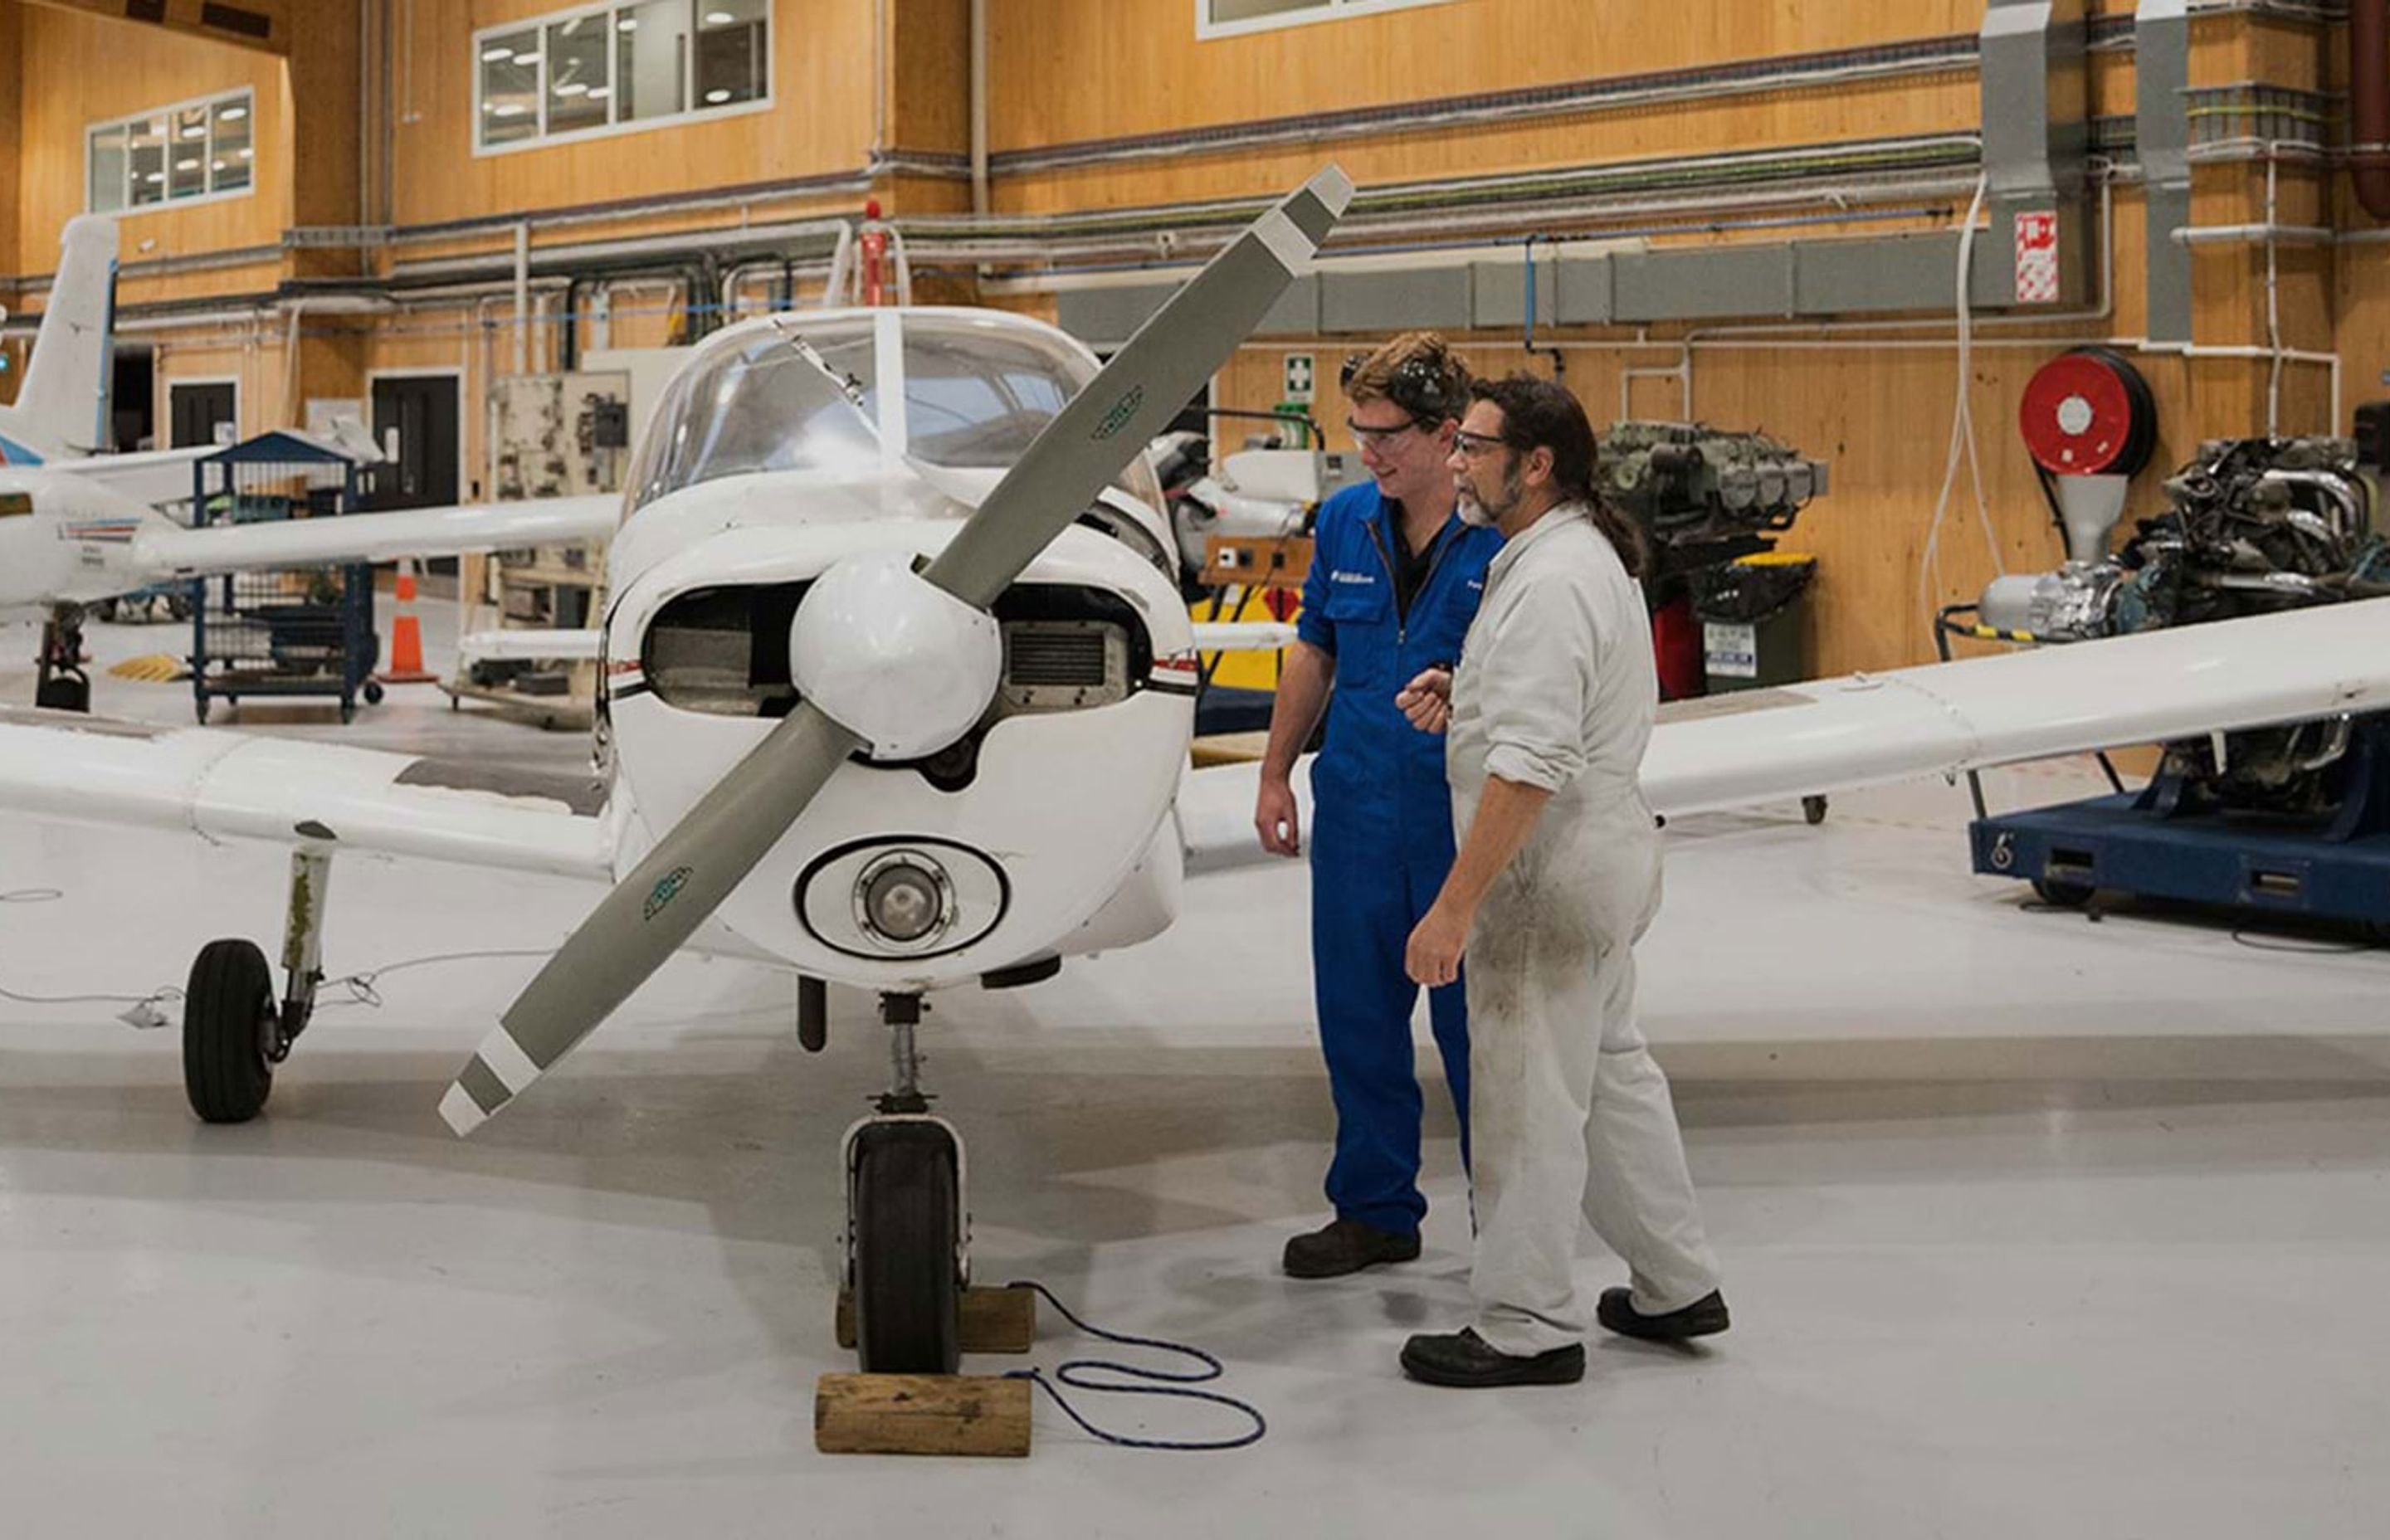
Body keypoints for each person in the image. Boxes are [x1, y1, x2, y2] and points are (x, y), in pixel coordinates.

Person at [1392, 374, 1728, 1388]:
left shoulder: (1547, 580)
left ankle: (1526, 1323)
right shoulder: (1569, 557)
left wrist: (1455, 906)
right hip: (1603, 852)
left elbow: (1533, 765)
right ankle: (1675, 1282)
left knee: (1527, 1095)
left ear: (1534, 465)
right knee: (1612, 1073)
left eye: (1474, 447)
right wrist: (1474, 692)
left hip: (1546, 873)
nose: (1455, 462)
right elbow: (1554, 713)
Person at [1255, 333, 1502, 1279]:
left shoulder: (1505, 541)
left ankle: (1508, 1221)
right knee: (1357, 1019)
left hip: (1459, 823)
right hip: (1356, 809)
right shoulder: (1348, 518)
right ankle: (1374, 1209)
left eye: (1387, 434)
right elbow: (1315, 647)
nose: (1370, 451)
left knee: (1480, 1031)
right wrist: (1277, 771)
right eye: (1358, 431)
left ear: (1449, 435)